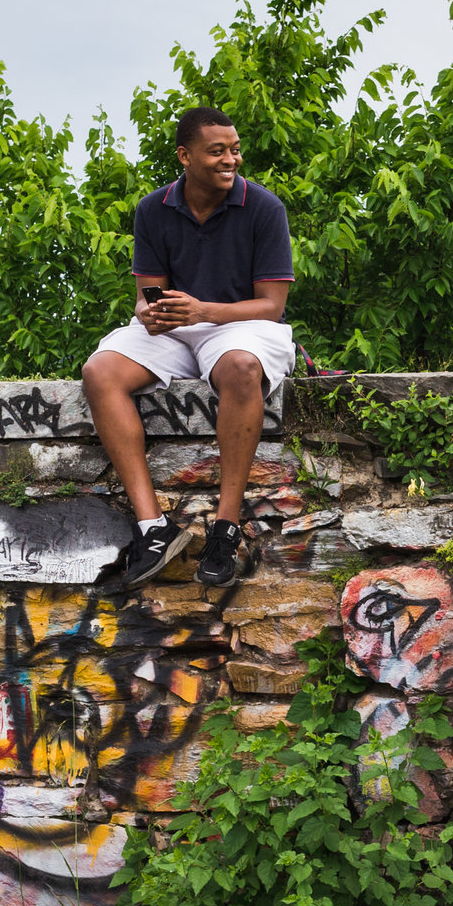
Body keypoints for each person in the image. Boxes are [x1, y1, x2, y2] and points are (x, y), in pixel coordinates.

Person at [82, 106, 294, 589]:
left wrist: (205, 311)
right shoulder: (153, 209)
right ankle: (152, 528)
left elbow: (272, 306)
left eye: (235, 150)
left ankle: (224, 528)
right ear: (185, 156)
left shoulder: (264, 208)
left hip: (239, 324)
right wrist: (146, 312)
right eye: (217, 151)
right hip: (179, 327)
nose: (230, 160)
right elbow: (147, 294)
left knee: (241, 368)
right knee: (99, 371)